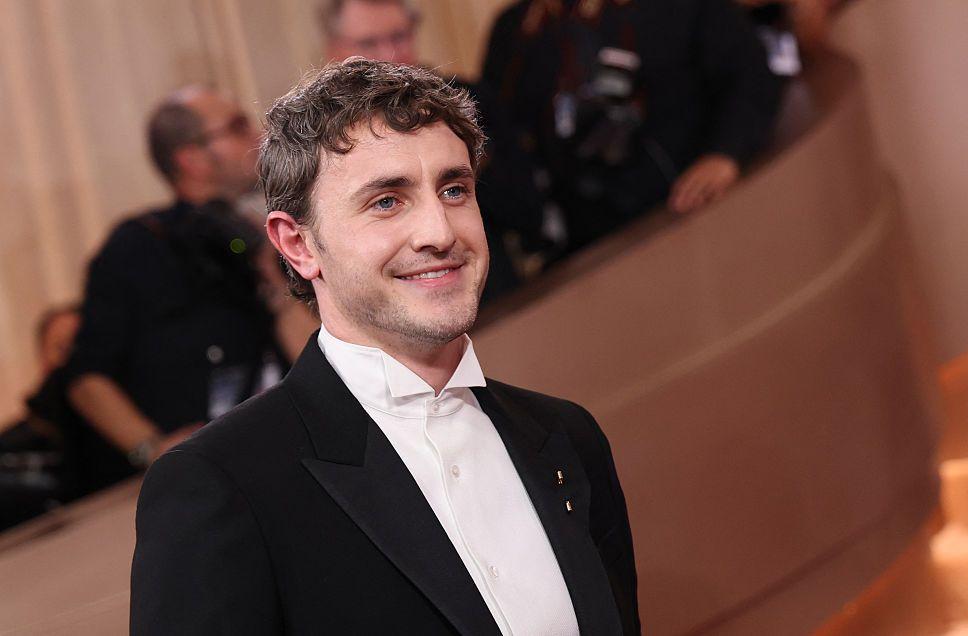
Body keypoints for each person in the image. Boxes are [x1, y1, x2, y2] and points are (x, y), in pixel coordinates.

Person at [131, 59, 639, 635]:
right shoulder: (220, 481)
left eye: (454, 190)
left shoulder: (568, 437)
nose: (440, 233)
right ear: (298, 245)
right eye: (387, 202)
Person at [65, 86, 308, 471]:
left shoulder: (265, 234)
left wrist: (273, 278)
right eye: (237, 126)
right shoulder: (138, 246)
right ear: (192, 159)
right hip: (210, 474)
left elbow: (313, 359)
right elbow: (87, 378)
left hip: (295, 450)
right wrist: (151, 449)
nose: (259, 135)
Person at [480, 0, 783, 257]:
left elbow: (749, 74)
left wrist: (725, 153)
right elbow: (505, 134)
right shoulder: (516, 30)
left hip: (694, 212)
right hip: (590, 247)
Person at [320, 0, 525, 303]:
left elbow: (526, 210)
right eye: (368, 43)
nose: (388, 55)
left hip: (491, 293)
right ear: (334, 51)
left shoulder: (468, 100)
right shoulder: (322, 134)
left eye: (399, 37)